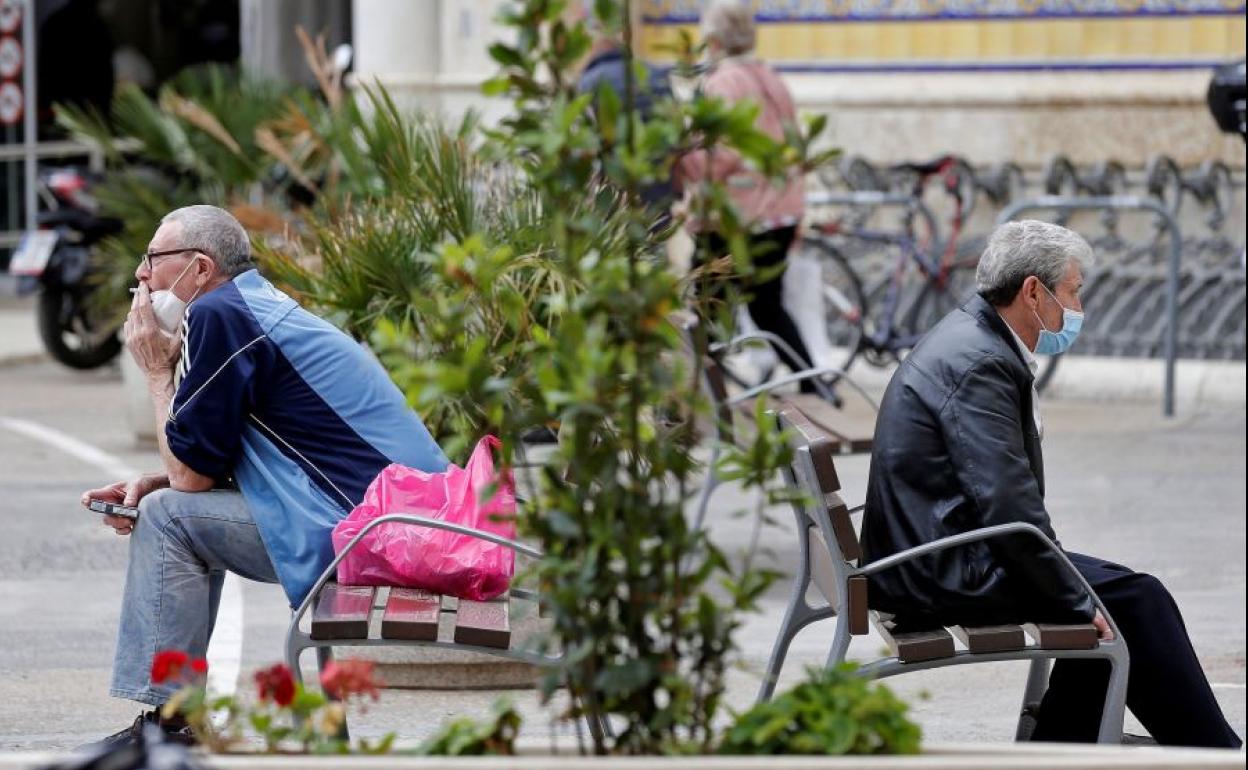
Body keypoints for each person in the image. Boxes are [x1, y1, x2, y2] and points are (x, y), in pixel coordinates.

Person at [860, 220, 1241, 748]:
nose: (1078, 307)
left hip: (934, 554)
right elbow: (1005, 502)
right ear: (1033, 291)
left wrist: (1071, 594)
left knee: (1117, 596)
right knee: (1133, 601)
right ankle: (1216, 755)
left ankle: (1065, 746)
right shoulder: (981, 363)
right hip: (941, 571)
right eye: (1073, 291)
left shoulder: (973, 339)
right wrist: (1069, 596)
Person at [81, 205, 448, 747]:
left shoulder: (220, 315)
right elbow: (205, 463)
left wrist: (159, 372)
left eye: (152, 258)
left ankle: (169, 728)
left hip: (368, 535)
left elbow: (191, 482)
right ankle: (175, 722)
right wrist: (153, 480)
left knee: (167, 522)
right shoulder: (247, 306)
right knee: (168, 507)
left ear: (199, 269)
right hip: (388, 522)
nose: (141, 273)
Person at [673, 0, 818, 392]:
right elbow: (794, 142)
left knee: (705, 306)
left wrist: (678, 165)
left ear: (714, 40)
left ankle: (692, 398)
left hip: (736, 217)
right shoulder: (770, 77)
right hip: (780, 212)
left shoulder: (722, 83)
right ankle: (816, 385)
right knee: (766, 304)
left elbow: (718, 155)